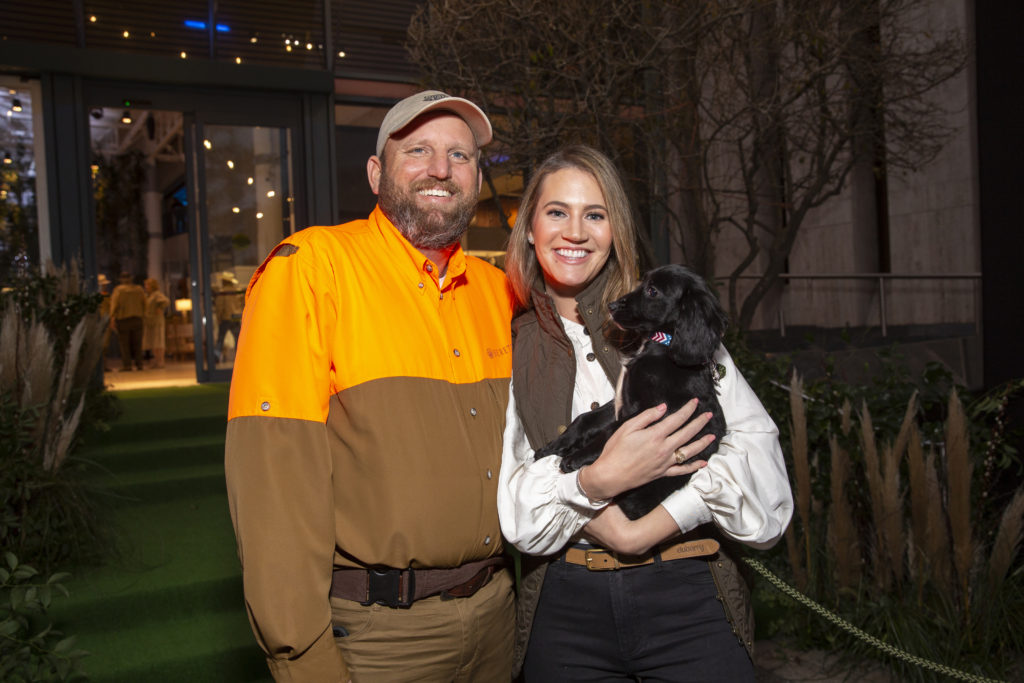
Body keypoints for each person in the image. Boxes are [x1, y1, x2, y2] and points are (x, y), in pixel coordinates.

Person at [225, 91, 515, 682]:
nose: (441, 168)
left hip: (500, 618)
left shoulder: (498, 289)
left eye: (460, 155)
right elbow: (274, 483)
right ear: (377, 173)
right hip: (382, 640)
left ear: (477, 178)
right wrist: (300, 657)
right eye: (419, 150)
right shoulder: (311, 268)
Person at [497, 145, 794, 681]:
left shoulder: (671, 328)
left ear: (617, 230)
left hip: (689, 595)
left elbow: (761, 474)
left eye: (596, 214)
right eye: (556, 212)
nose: (575, 232)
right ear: (529, 228)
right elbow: (514, 504)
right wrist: (595, 481)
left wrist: (648, 527)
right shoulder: (505, 346)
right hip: (567, 607)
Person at [108, 271, 146, 371]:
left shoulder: (118, 290)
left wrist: (112, 317)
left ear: (121, 279)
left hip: (123, 319)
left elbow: (114, 305)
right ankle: (139, 364)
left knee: (124, 344)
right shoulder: (139, 289)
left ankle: (127, 365)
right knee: (138, 344)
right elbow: (145, 303)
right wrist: (143, 316)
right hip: (137, 319)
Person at [213, 272, 243, 363]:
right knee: (238, 340)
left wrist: (219, 318)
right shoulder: (237, 291)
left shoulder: (223, 293)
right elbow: (241, 305)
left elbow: (220, 307)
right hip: (236, 318)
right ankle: (241, 359)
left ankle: (216, 358)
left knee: (220, 340)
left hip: (226, 318)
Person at [142, 278, 170, 368]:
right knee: (153, 342)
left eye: (147, 285)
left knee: (158, 341)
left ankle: (160, 361)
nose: (146, 287)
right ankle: (156, 360)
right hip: (150, 321)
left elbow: (166, 301)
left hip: (157, 321)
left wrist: (160, 308)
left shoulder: (157, 294)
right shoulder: (148, 295)